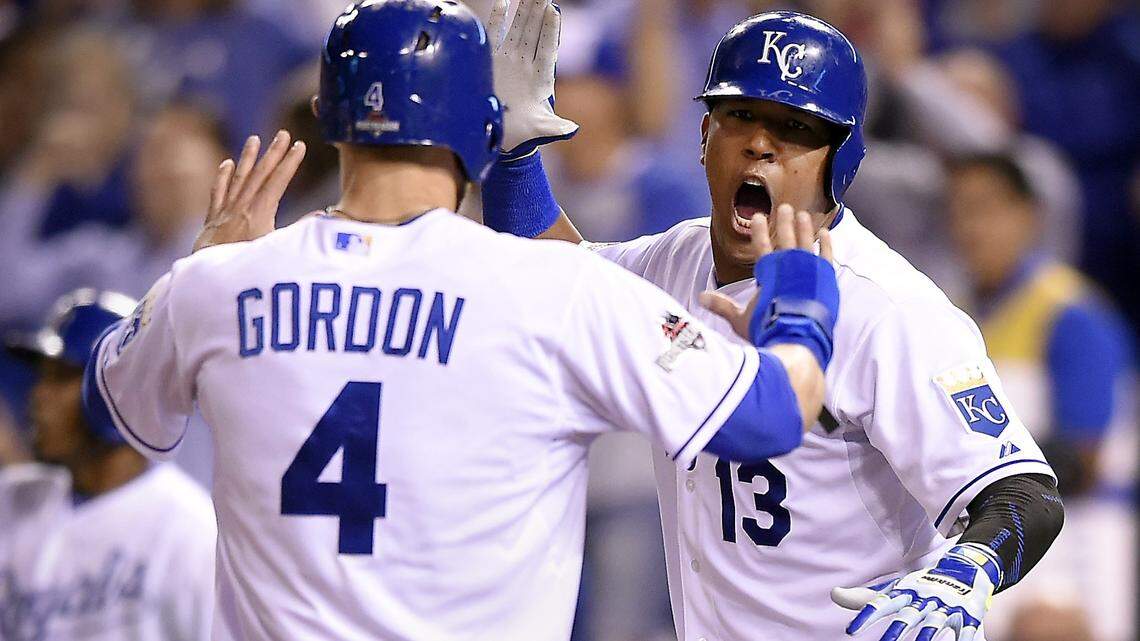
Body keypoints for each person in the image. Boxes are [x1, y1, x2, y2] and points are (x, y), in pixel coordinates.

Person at [79, 1, 841, 638]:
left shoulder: (215, 285)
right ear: (484, 129)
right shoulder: (553, 290)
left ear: (325, 117)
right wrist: (802, 293)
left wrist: (201, 261)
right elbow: (770, 414)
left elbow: (108, 405)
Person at [481, 10, 1065, 641]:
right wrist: (513, 157)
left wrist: (967, 569)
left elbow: (1022, 491)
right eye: (741, 115)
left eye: (794, 128)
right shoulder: (676, 259)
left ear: (840, 161)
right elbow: (551, 279)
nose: (761, 143)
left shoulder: (888, 308)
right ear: (704, 134)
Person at [945, 153, 1136, 641]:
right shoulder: (957, 317)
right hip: (1000, 527)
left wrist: (970, 481)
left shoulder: (1070, 313)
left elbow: (1083, 458)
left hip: (1077, 538)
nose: (971, 227)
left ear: (1027, 216)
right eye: (959, 210)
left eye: (986, 208)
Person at [0, 288, 215, 641]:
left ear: (119, 390)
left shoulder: (190, 534)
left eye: (61, 377)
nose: (37, 394)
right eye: (42, 376)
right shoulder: (13, 501)